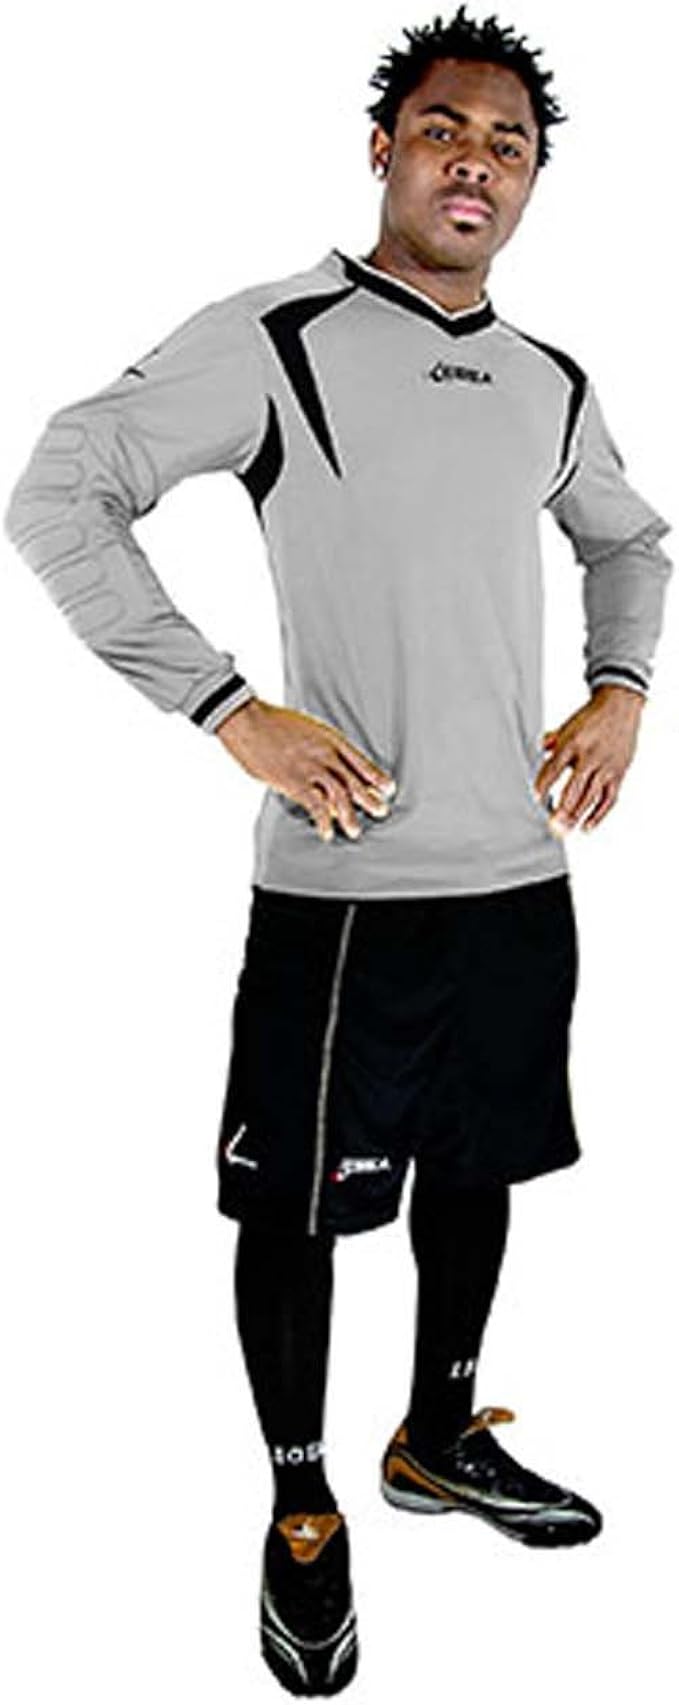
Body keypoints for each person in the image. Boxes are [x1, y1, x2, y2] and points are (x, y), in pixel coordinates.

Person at [4, 5, 674, 1696]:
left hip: (517, 875)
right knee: (296, 1202)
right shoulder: (277, 338)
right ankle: (303, 1506)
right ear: (385, 150)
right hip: (346, 888)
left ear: (534, 181)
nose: (477, 163)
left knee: (480, 1165)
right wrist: (227, 707)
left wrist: (618, 687)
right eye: (446, 131)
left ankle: (438, 1432)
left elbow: (629, 540)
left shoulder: (550, 380)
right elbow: (61, 487)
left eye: (510, 144)